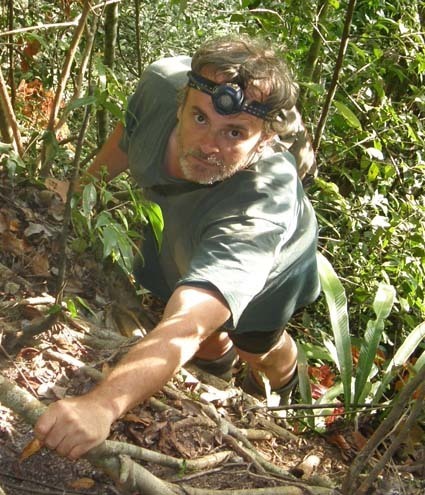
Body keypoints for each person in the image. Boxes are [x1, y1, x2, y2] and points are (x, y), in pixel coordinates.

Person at [35, 34, 320, 460]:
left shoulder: (262, 206)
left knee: (255, 346)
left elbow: (189, 322)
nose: (208, 145)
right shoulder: (160, 83)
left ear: (264, 140)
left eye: (235, 133)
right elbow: (131, 132)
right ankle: (217, 374)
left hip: (267, 267)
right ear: (182, 100)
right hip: (178, 233)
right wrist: (81, 189)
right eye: (199, 118)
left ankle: (292, 393)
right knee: (207, 337)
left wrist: (101, 404)